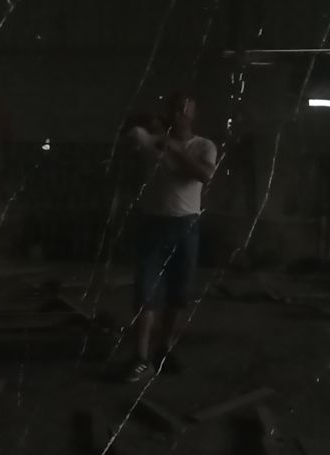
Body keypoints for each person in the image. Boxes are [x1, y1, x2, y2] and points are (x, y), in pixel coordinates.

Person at [122, 93, 217, 383]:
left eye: (183, 109)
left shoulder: (204, 146)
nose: (178, 114)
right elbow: (130, 140)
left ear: (193, 115)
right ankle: (140, 358)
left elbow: (204, 174)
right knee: (145, 291)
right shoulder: (154, 142)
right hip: (153, 223)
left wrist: (174, 147)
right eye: (174, 108)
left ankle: (163, 351)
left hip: (186, 225)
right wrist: (147, 133)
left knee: (178, 294)